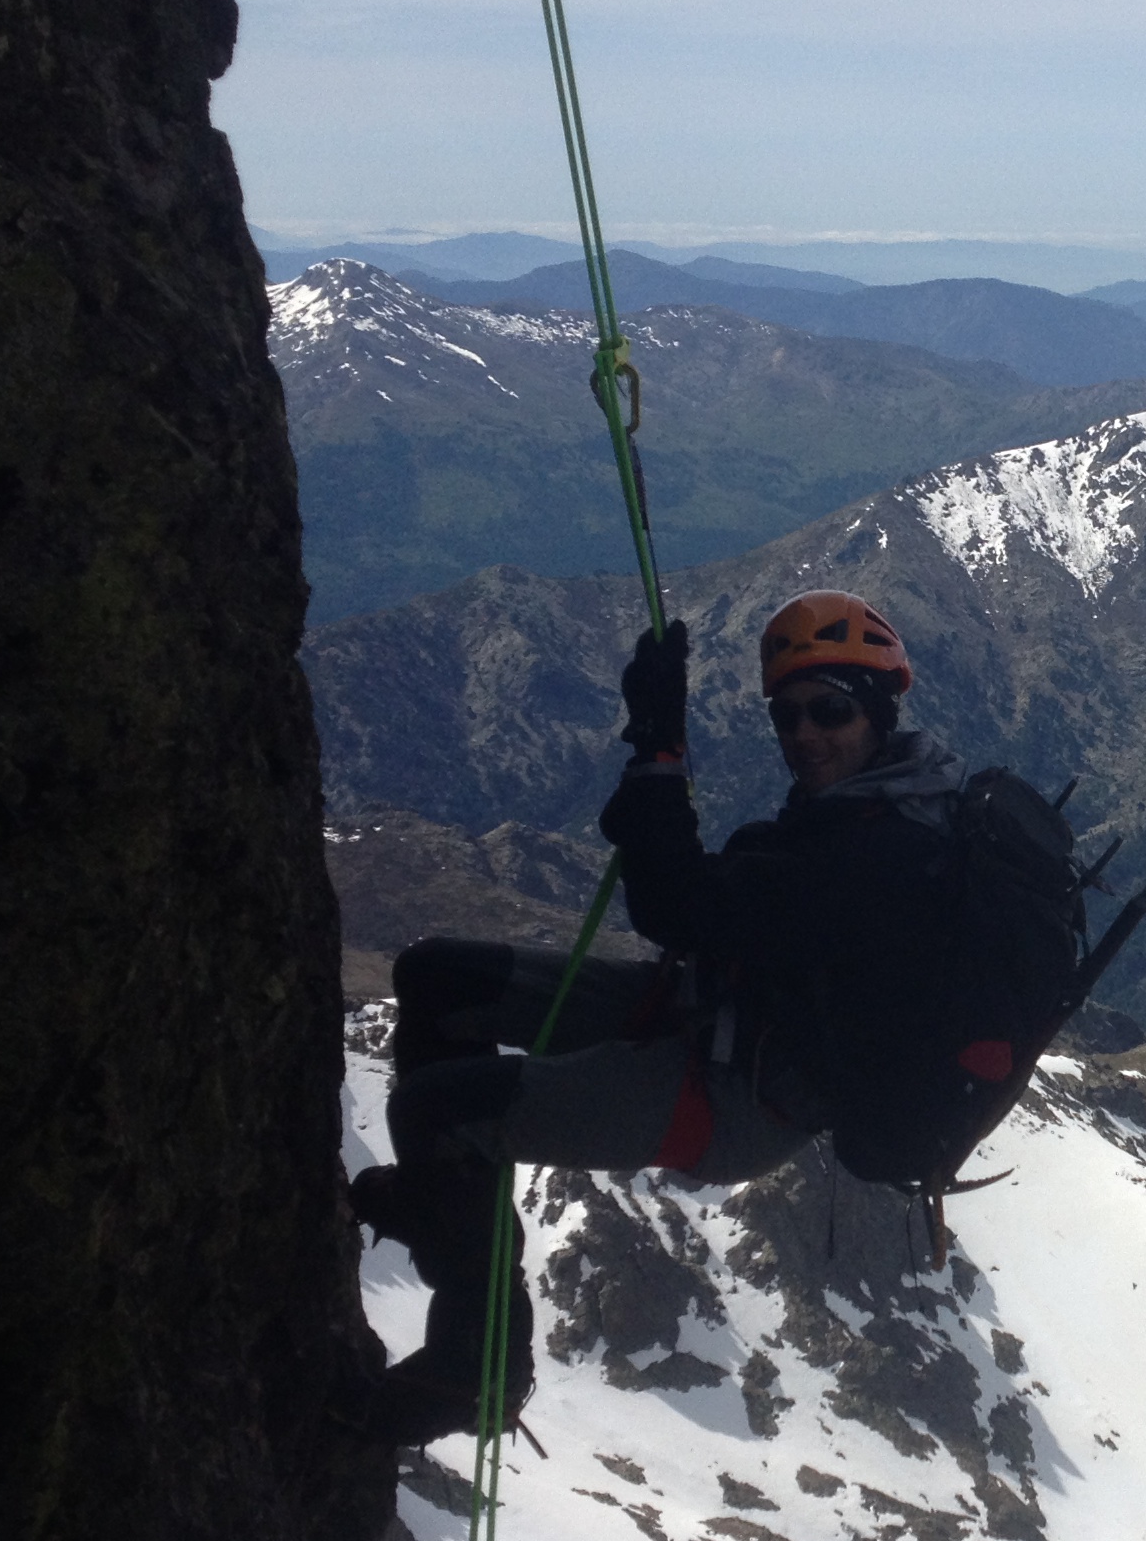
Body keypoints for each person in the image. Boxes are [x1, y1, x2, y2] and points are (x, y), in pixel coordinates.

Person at [349, 590, 962, 1442]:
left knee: (436, 1111)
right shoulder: (866, 802)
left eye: (828, 711)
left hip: (742, 1095)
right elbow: (717, 903)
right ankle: (444, 1209)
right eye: (788, 717)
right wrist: (656, 763)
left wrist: (661, 754)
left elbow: (678, 904)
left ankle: (475, 1365)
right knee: (435, 977)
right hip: (713, 1015)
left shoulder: (882, 849)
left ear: (880, 712)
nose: (805, 736)